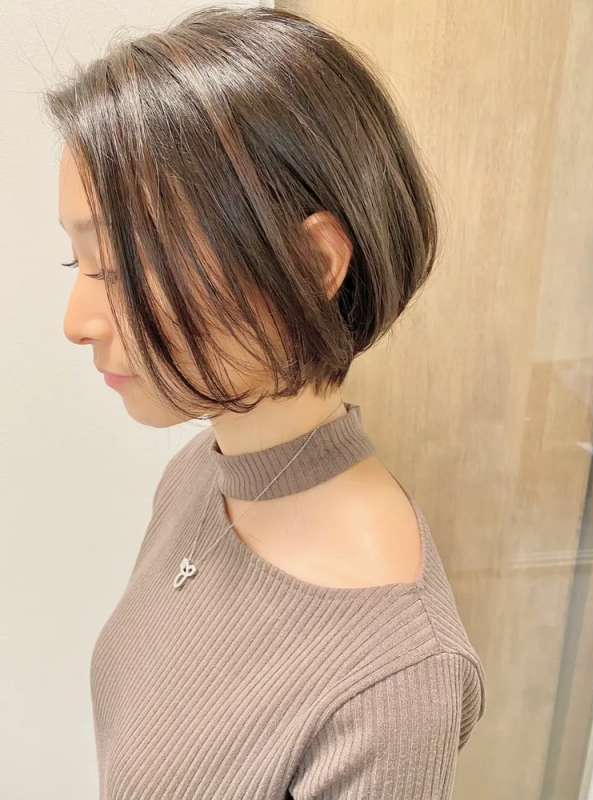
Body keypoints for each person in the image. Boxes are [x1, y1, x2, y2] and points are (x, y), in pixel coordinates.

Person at [43, 6, 484, 798]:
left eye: (117, 267)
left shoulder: (394, 679)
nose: (76, 321)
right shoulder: (198, 471)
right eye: (78, 262)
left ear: (312, 265)